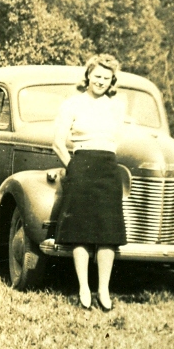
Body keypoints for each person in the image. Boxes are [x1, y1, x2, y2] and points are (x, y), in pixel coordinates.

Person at [52, 54, 127, 311]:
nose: (101, 81)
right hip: (81, 166)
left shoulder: (117, 105)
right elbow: (57, 143)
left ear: (112, 80)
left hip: (108, 168)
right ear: (88, 76)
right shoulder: (73, 103)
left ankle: (103, 290)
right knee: (81, 232)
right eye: (97, 76)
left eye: (106, 78)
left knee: (108, 234)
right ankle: (84, 287)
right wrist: (73, 168)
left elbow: (119, 139)